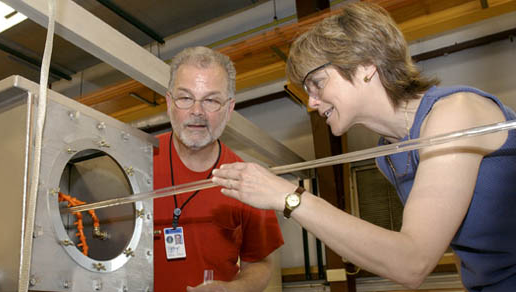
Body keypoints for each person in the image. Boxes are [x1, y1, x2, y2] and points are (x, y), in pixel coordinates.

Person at [211, 2, 516, 291]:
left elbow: (412, 263)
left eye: (317, 82)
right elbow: (465, 244)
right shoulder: (390, 153)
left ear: (365, 65)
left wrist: (290, 197)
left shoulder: (454, 113)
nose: (312, 102)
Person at [153, 46, 284, 292]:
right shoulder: (136, 160)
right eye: (185, 98)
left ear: (229, 108)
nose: (197, 111)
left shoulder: (248, 182)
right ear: (169, 102)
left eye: (211, 100)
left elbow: (260, 263)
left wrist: (231, 290)